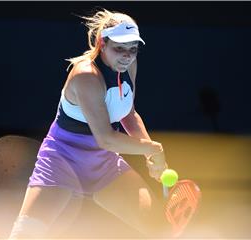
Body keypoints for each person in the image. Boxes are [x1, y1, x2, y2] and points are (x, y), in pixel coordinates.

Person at [9, 8, 172, 239]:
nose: (127, 56)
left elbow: (128, 114)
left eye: (132, 50)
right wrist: (153, 149)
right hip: (61, 160)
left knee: (160, 228)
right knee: (26, 234)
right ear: (101, 43)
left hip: (103, 163)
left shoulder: (128, 66)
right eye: (119, 48)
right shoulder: (86, 76)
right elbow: (105, 138)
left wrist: (148, 153)